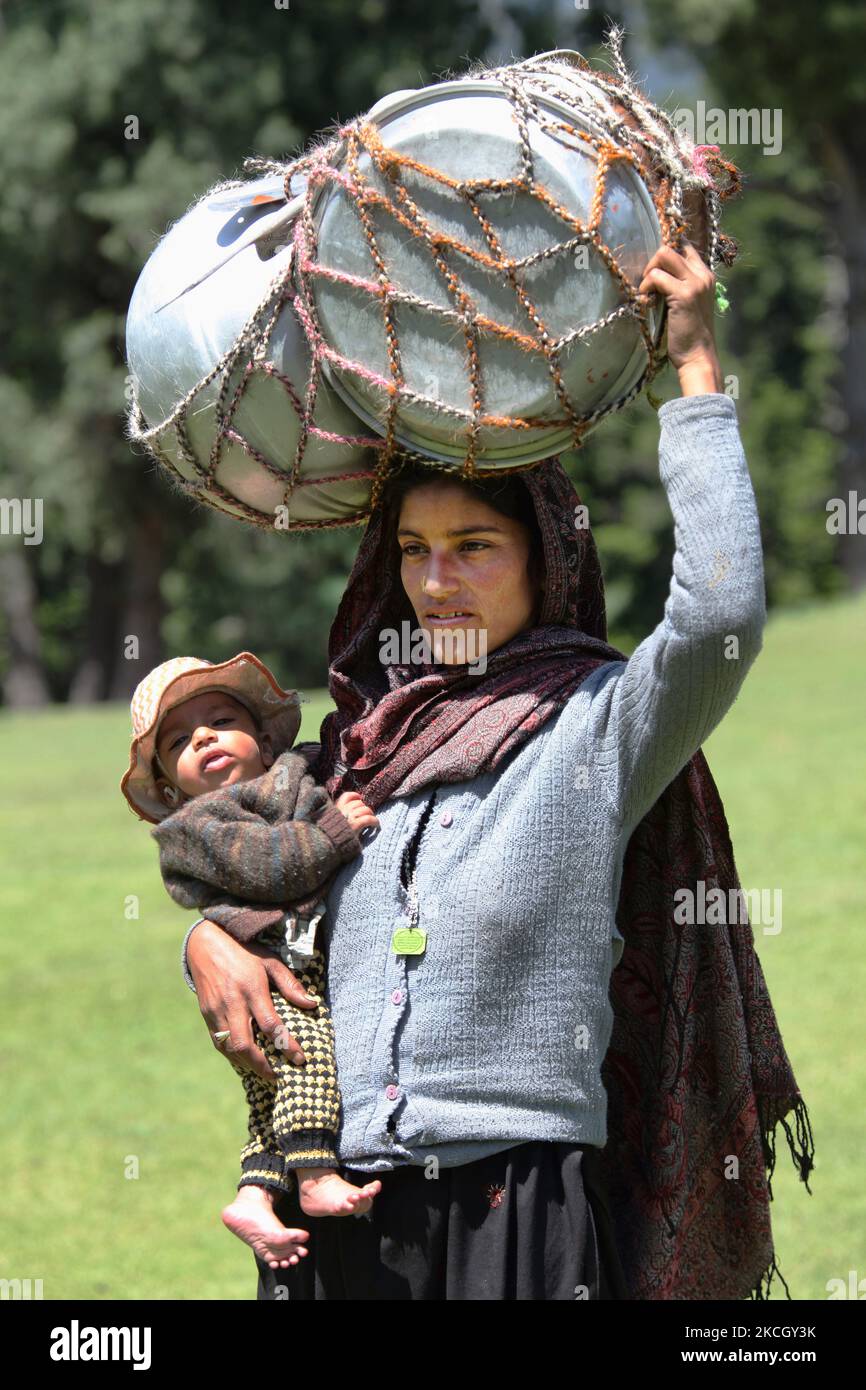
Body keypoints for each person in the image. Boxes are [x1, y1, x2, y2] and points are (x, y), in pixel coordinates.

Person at [180, 241, 814, 1300]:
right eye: (414, 551)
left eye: (474, 545)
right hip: (331, 1209)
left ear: (546, 559)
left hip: (512, 1212)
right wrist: (203, 936)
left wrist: (694, 373)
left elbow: (717, 618)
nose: (436, 582)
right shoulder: (355, 746)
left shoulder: (596, 727)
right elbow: (242, 867)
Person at [119, 652, 384, 1270]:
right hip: (270, 966)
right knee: (306, 1059)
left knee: (270, 1103)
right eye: (180, 740)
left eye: (220, 720)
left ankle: (255, 1196)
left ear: (265, 740)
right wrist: (334, 834)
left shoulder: (288, 779)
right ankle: (316, 1179)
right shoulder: (198, 825)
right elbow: (267, 866)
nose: (203, 736)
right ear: (168, 786)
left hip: (285, 955)